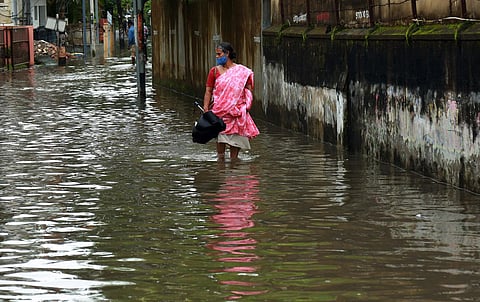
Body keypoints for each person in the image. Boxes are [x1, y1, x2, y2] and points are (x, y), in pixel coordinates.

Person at [203, 42, 260, 160]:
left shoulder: (242, 72)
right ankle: (221, 163)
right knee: (220, 137)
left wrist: (246, 105)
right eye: (216, 55)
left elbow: (248, 90)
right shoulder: (214, 71)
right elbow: (208, 91)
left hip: (237, 110)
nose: (217, 57)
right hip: (220, 111)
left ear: (227, 53)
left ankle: (234, 163)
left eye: (219, 54)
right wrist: (206, 108)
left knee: (236, 138)